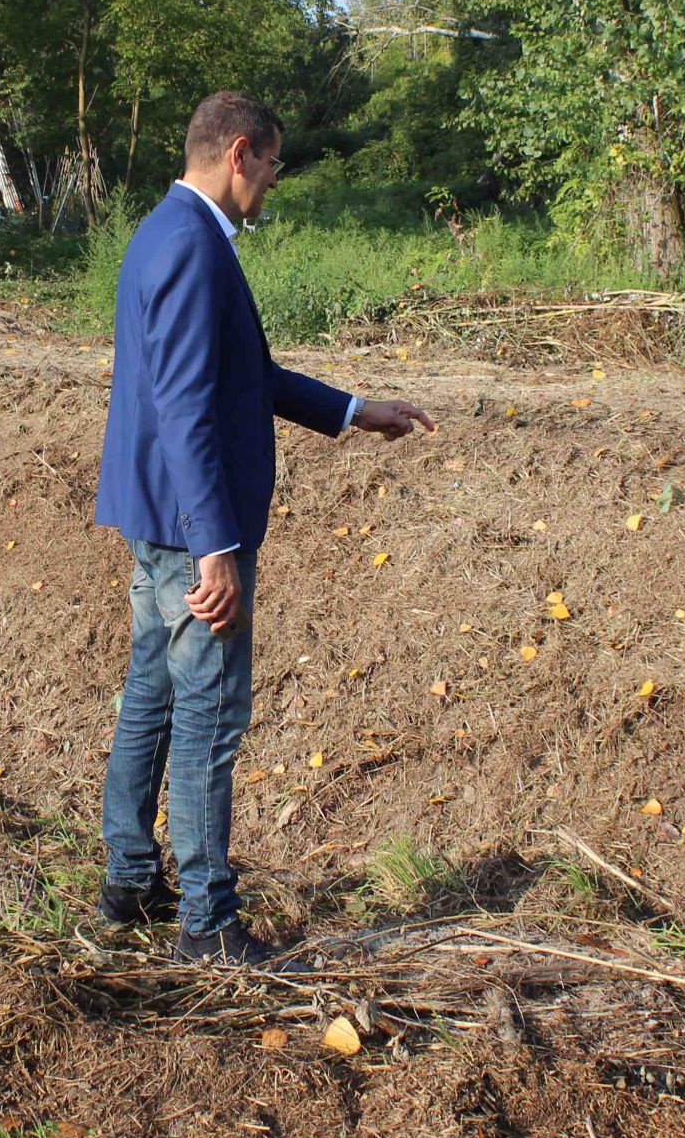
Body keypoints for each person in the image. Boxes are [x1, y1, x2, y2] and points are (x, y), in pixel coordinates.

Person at [92, 91, 436, 966]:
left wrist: (357, 410)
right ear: (239, 152)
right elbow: (183, 410)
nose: (274, 183)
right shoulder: (189, 247)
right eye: (275, 164)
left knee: (156, 697)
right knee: (207, 712)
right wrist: (215, 546)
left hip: (162, 520)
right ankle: (206, 920)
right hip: (189, 527)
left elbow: (244, 375)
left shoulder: (172, 234)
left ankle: (130, 880)